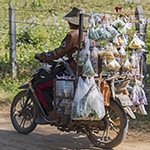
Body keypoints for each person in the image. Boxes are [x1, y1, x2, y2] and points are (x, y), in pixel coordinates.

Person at [34, 7, 89, 123]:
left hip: (72, 71)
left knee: (39, 86)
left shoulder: (72, 35)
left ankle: (52, 115)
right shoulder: (87, 34)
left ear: (72, 21)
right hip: (84, 70)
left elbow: (58, 53)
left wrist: (43, 56)